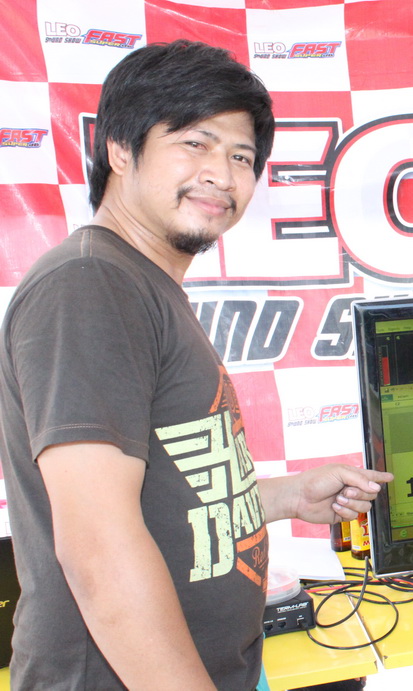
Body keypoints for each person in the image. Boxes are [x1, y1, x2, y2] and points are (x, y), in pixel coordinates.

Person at [0, 40, 392, 689]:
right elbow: (99, 550)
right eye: (195, 143)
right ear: (119, 149)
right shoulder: (90, 285)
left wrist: (288, 496)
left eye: (241, 156)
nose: (222, 174)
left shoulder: (139, 284)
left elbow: (170, 496)